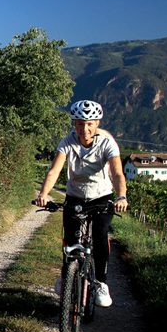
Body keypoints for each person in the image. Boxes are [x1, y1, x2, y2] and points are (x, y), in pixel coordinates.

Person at [35, 100, 128, 307]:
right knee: (70, 237)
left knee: (100, 234)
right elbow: (55, 171)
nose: (84, 129)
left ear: (96, 124)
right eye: (79, 124)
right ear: (74, 124)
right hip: (75, 196)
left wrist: (121, 196)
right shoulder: (67, 142)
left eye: (89, 124)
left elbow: (117, 173)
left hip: (102, 196)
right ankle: (66, 274)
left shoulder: (107, 143)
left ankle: (101, 283)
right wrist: (43, 194)